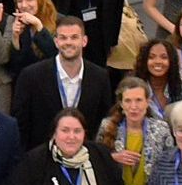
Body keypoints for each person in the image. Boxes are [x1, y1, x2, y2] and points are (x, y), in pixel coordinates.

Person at [13, 13, 116, 147]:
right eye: (63, 38)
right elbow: (21, 125)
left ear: (84, 41)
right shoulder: (31, 76)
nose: (68, 42)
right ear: (56, 41)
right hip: (43, 155)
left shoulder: (100, 77)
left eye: (74, 37)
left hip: (86, 154)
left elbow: (104, 122)